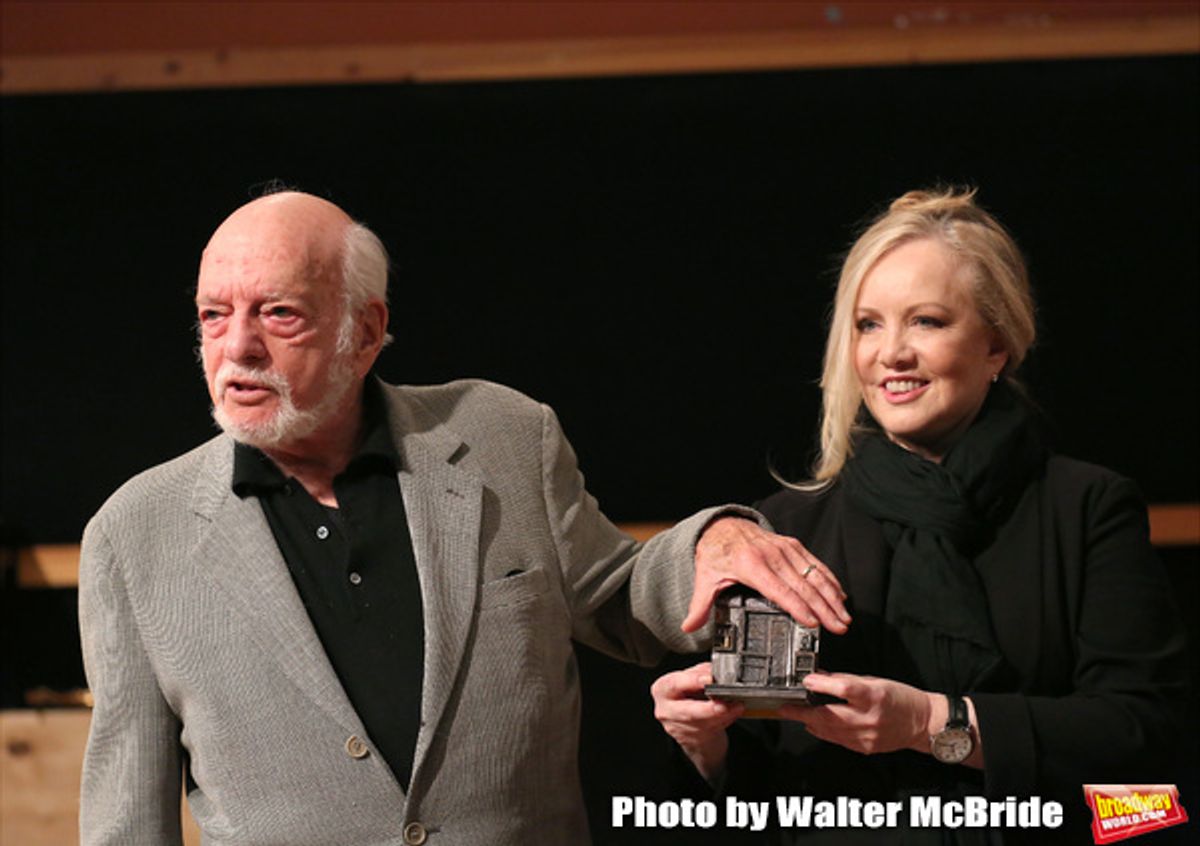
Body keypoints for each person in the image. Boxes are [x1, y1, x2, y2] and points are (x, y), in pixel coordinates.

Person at [77, 190, 851, 846]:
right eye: (214, 315)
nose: (236, 347)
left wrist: (712, 538)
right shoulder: (134, 534)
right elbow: (127, 820)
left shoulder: (499, 436)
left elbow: (618, 596)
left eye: (278, 314)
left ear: (367, 332)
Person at [651, 188, 1190, 844]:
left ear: (997, 345)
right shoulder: (783, 530)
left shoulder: (1088, 509)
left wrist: (933, 725)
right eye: (868, 324)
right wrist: (701, 746)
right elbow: (749, 803)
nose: (892, 353)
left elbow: (1144, 743)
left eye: (926, 321)